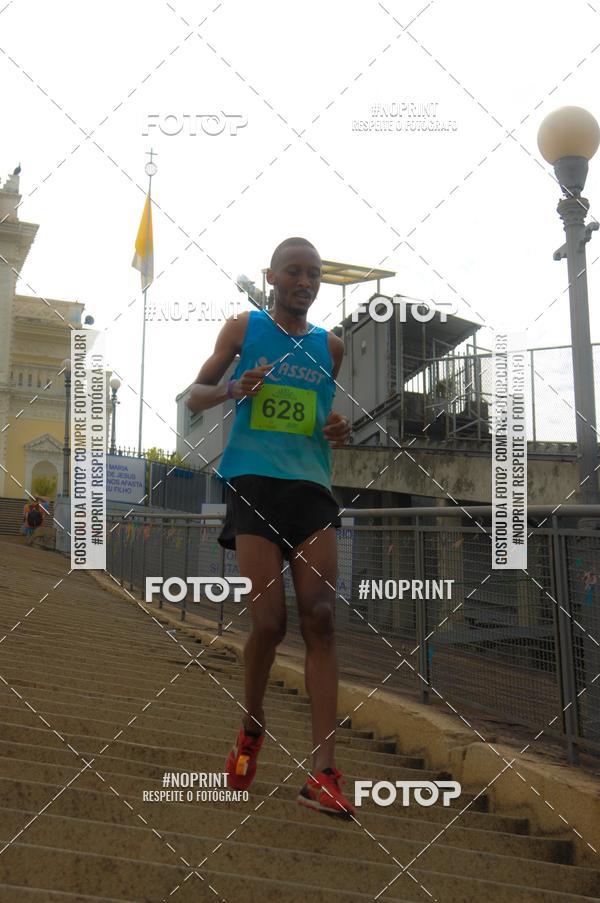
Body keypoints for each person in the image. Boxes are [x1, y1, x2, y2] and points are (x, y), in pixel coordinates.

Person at [186, 237, 355, 819]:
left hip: (311, 489)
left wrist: (337, 430)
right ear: (273, 277)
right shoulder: (242, 328)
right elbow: (192, 398)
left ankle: (324, 772)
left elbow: (320, 417)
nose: (305, 282)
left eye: (314, 274)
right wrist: (235, 387)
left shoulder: (331, 347)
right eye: (294, 272)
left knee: (321, 617)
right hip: (252, 485)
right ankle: (250, 729)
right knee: (269, 621)